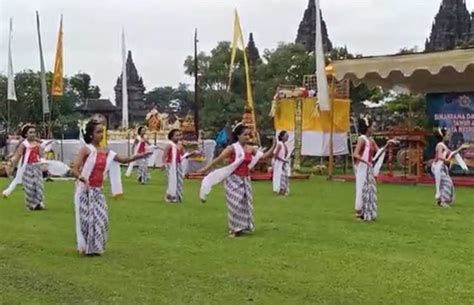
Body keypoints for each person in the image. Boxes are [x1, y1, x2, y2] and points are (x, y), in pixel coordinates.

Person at [71, 119, 151, 256]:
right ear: (90, 134)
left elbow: (124, 160)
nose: (101, 135)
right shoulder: (86, 150)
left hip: (98, 191)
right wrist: (81, 177)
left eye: (102, 132)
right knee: (87, 220)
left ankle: (96, 247)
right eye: (98, 132)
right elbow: (74, 168)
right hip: (85, 191)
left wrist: (140, 156)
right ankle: (88, 248)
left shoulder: (106, 151)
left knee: (101, 219)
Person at [198, 123, 275, 238]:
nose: (247, 137)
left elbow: (263, 157)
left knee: (244, 205)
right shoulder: (232, 148)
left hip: (245, 180)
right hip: (233, 180)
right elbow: (219, 159)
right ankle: (234, 229)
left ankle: (243, 227)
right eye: (245, 135)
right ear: (238, 136)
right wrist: (206, 168)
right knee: (234, 204)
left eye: (249, 135)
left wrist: (274, 146)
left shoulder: (250, 149)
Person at [353, 117, 397, 221]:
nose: (374, 128)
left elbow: (378, 153)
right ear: (368, 127)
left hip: (369, 168)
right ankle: (358, 212)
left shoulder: (371, 140)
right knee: (361, 188)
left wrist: (387, 144)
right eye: (373, 126)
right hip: (362, 168)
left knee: (369, 189)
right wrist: (366, 162)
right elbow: (355, 154)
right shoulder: (362, 139)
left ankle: (367, 211)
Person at [4, 125, 45, 210]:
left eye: (34, 132)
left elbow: (41, 156)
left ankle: (38, 203)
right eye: (30, 132)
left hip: (37, 168)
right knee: (29, 187)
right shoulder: (24, 145)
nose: (33, 134)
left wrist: (44, 165)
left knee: (39, 186)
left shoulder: (38, 145)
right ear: (26, 134)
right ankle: (31, 205)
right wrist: (12, 166)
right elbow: (17, 156)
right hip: (27, 168)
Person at [431, 128, 466, 208]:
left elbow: (452, 153)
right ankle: (443, 201)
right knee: (447, 183)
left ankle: (440, 201)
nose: (449, 136)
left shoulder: (443, 145)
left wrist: (461, 148)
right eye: (447, 135)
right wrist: (446, 160)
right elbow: (439, 156)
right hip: (438, 167)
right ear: (443, 136)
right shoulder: (440, 145)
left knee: (447, 182)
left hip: (441, 167)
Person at [162, 129, 187, 203]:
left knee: (179, 180)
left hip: (178, 164)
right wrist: (163, 164)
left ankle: (178, 196)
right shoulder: (169, 145)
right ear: (171, 137)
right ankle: (170, 195)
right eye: (176, 135)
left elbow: (183, 154)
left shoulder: (180, 144)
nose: (179, 137)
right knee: (171, 180)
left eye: (180, 135)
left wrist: (182, 148)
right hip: (170, 164)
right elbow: (164, 156)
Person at [273, 130, 290, 196]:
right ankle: (280, 190)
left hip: (283, 163)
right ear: (282, 137)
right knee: (280, 177)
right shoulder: (279, 144)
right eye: (286, 136)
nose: (287, 137)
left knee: (285, 176)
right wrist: (283, 160)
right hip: (279, 163)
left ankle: (284, 190)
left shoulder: (284, 145)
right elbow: (275, 155)